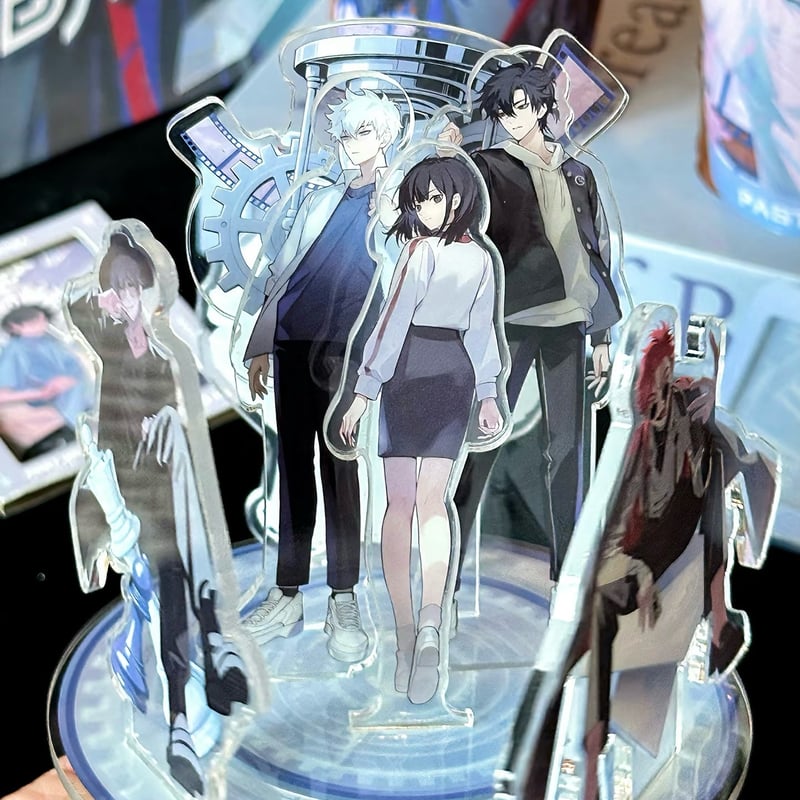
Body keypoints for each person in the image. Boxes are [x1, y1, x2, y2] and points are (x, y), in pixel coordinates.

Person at [68, 227, 250, 797]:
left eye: (136, 285)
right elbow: (74, 305)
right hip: (134, 490)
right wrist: (104, 288)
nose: (128, 296)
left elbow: (185, 432)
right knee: (175, 573)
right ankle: (213, 646)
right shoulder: (109, 341)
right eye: (119, 287)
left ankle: (181, 728)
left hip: (173, 495)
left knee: (177, 573)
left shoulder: (166, 351)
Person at [445, 60, 622, 595]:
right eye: (504, 113)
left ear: (544, 106)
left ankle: (567, 573)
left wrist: (603, 335)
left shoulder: (579, 173)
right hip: (513, 321)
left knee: (568, 449)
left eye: (521, 108)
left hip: (570, 322)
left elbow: (595, 254)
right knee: (483, 439)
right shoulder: (489, 166)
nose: (513, 120)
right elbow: (455, 201)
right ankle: (447, 566)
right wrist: (447, 153)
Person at [242, 86, 403, 663]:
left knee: (340, 469)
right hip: (293, 342)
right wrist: (261, 344)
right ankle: (287, 593)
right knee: (292, 468)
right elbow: (282, 273)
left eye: (362, 132)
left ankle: (343, 597)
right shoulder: (319, 199)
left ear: (385, 136)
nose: (349, 143)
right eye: (344, 133)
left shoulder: (397, 203)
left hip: (347, 350)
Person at [339, 155, 505, 704]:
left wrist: (362, 393)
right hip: (455, 370)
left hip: (410, 368)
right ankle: (430, 619)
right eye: (418, 201)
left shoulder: (419, 253)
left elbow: (391, 322)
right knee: (434, 503)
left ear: (458, 199)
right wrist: (487, 392)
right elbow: (482, 331)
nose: (426, 210)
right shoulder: (481, 259)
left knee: (401, 505)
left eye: (434, 198)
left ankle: (408, 634)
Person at [0, 304, 92, 460]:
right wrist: (40, 392)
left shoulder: (49, 343)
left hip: (78, 404)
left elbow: (75, 366)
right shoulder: (14, 351)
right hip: (49, 418)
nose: (41, 325)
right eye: (33, 322)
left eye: (42, 320)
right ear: (14, 326)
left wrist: (68, 378)